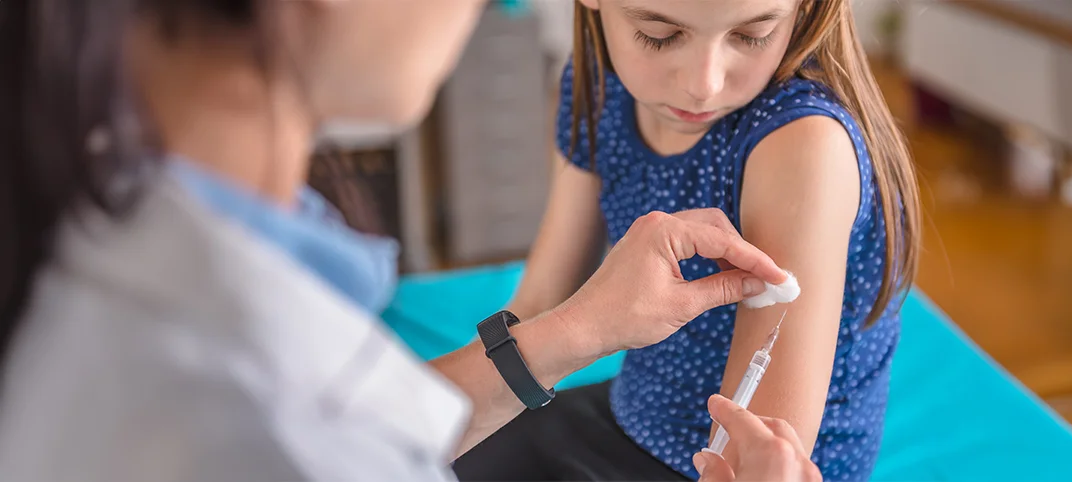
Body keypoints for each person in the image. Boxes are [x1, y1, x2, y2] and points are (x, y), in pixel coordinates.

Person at [0, 0, 818, 480]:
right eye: (659, 32)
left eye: (749, 33)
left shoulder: (83, 210)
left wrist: (579, 329)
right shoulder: (281, 430)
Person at [455, 0, 922, 480]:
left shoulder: (800, 144)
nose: (704, 85)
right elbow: (540, 303)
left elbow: (758, 449)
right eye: (658, 35)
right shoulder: (599, 82)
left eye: (752, 34)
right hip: (631, 416)